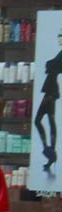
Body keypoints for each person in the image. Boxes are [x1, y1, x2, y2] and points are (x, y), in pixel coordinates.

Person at [35, 30, 62, 169]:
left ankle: (49, 150)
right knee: (48, 119)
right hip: (51, 89)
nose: (59, 39)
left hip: (50, 90)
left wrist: (49, 65)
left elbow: (53, 65)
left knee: (40, 120)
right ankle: (50, 151)